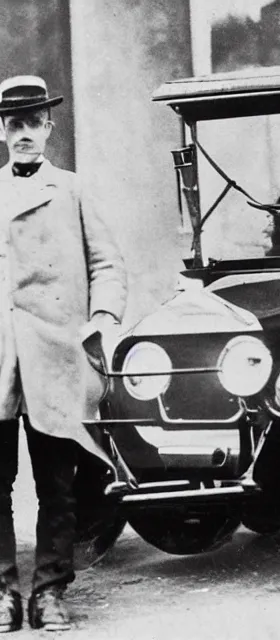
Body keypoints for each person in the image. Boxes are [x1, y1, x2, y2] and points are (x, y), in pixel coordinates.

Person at [0, 75, 127, 632]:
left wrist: (101, 320)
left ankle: (50, 590)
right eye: (13, 124)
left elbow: (107, 264)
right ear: (2, 132)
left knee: (56, 481)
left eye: (33, 123)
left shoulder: (73, 190)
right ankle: (3, 590)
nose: (24, 134)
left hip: (54, 351)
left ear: (49, 129)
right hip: (0, 355)